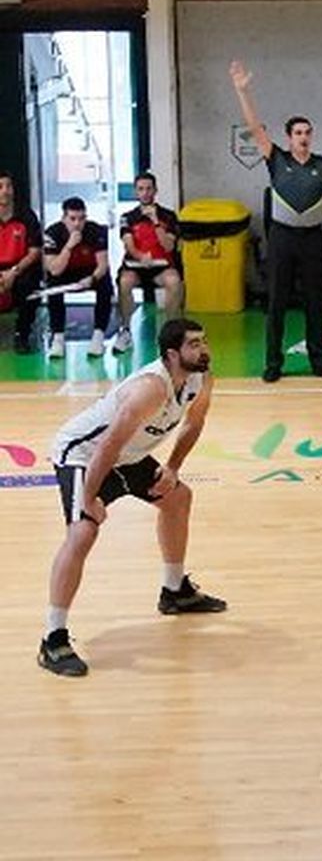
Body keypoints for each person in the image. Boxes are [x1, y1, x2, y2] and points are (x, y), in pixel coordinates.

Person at [39, 317, 228, 678]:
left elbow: (194, 423)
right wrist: (90, 499)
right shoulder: (149, 389)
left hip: (129, 455)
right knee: (83, 532)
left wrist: (172, 467)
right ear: (172, 354)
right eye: (194, 344)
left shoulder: (201, 379)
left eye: (203, 341)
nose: (203, 349)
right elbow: (107, 445)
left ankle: (174, 592)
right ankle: (53, 637)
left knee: (178, 498)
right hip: (83, 454)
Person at [230, 59, 322, 382]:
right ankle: (273, 364)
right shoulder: (276, 158)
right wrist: (243, 91)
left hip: (313, 238)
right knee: (277, 302)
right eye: (298, 132)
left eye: (308, 132)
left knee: (315, 302)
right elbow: (254, 126)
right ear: (288, 137)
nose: (304, 137)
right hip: (283, 237)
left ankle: (319, 362)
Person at [115, 170, 184, 350]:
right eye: (141, 189)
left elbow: (169, 246)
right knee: (124, 283)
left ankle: (171, 333)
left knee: (174, 282)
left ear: (155, 191)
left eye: (148, 188)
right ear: (135, 192)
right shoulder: (127, 218)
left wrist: (155, 222)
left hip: (161, 266)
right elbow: (128, 244)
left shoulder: (168, 216)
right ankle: (125, 331)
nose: (145, 193)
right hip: (136, 266)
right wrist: (140, 256)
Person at [41, 197, 114, 358]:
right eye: (72, 219)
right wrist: (69, 245)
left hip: (89, 273)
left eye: (81, 219)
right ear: (64, 218)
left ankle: (98, 335)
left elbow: (103, 264)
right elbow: (54, 269)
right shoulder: (51, 233)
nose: (77, 224)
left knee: (105, 284)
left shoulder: (97, 231)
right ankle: (58, 337)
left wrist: (92, 279)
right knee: (53, 286)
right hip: (64, 272)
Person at [0, 171, 44, 353]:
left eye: (9, 186)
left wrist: (13, 271)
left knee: (29, 288)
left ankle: (22, 335)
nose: (5, 191)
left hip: (20, 268)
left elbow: (35, 252)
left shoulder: (27, 216)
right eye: (0, 187)